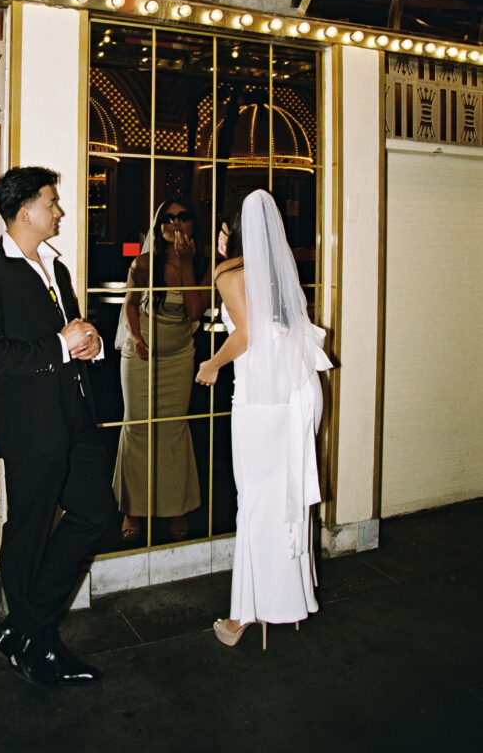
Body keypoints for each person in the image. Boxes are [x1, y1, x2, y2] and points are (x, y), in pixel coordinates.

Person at [0, 166, 115, 688]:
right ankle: (37, 647)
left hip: (76, 418)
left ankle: (23, 628)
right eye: (51, 202)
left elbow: (69, 340)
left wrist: (87, 344)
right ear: (25, 211)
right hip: (29, 427)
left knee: (96, 514)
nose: (59, 211)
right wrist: (61, 347)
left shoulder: (57, 269)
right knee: (27, 533)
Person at [195, 190, 333, 649]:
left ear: (231, 230)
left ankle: (244, 616)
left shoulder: (227, 270)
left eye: (220, 226)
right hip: (299, 389)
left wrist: (211, 364)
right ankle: (292, 602)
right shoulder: (278, 267)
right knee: (287, 494)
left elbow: (248, 333)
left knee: (256, 497)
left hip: (265, 396)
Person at [113, 198, 209, 543]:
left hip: (179, 355)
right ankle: (132, 508)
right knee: (138, 428)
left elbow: (195, 311)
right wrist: (136, 338)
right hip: (141, 354)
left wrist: (184, 264)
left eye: (183, 217)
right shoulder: (142, 262)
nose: (175, 223)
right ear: (158, 226)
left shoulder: (201, 264)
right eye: (168, 219)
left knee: (172, 430)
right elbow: (130, 304)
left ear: (192, 224)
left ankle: (175, 506)